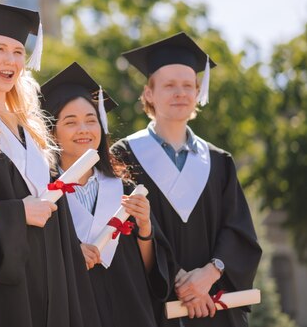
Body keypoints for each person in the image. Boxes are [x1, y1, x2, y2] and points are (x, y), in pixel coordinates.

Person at [0, 0, 101, 327]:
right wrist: (18, 213)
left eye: (18, 52)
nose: (10, 60)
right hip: (4, 284)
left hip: (53, 274)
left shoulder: (33, 128)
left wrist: (71, 249)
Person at [111, 32, 262, 327]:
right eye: (169, 85)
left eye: (187, 85)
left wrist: (209, 275)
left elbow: (238, 230)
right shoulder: (125, 154)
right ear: (149, 94)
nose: (180, 93)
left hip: (215, 306)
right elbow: (126, 229)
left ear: (197, 92)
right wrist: (180, 281)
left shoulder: (219, 161)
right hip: (155, 306)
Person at [41, 61, 174, 327]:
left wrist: (145, 227)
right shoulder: (44, 195)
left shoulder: (123, 189)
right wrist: (69, 255)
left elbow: (152, 272)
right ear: (52, 132)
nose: (84, 130)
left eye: (91, 121)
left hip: (130, 312)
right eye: (70, 122)